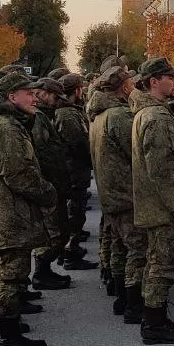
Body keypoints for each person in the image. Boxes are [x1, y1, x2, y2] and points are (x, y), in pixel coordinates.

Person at [130, 58, 174, 345]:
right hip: (162, 207)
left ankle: (156, 317)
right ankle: (154, 324)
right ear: (154, 81)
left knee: (158, 262)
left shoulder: (151, 113)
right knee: (162, 264)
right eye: (169, 76)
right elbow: (163, 169)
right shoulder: (155, 118)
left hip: (156, 204)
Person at [0, 73, 58, 346]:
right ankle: (7, 337)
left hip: (11, 211)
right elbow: (18, 174)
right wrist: (48, 192)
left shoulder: (13, 124)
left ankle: (10, 329)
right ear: (12, 97)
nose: (35, 98)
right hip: (9, 214)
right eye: (28, 93)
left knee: (14, 271)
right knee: (11, 274)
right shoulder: (8, 128)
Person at [88, 66, 149, 322]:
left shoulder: (98, 116)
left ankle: (123, 297)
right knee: (138, 248)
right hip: (125, 193)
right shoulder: (118, 116)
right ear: (124, 87)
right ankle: (134, 303)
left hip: (111, 193)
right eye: (131, 83)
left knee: (121, 246)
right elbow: (136, 150)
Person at [28, 78, 72, 291]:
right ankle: (40, 272)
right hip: (48, 184)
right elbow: (42, 154)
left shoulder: (43, 115)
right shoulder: (37, 118)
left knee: (59, 231)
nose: (57, 102)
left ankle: (43, 271)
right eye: (55, 97)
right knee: (55, 232)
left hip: (53, 182)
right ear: (43, 93)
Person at [56, 73, 97, 269]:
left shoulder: (70, 111)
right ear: (77, 90)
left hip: (75, 169)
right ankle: (69, 253)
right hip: (73, 170)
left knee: (76, 211)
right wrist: (91, 159)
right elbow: (78, 143)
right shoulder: (67, 113)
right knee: (75, 213)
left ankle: (70, 250)